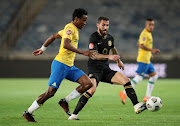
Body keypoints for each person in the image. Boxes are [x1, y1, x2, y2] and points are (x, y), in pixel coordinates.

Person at [59, 16, 146, 120]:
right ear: (98, 25)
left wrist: (119, 60)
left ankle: (136, 105)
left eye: (107, 25)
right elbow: (93, 55)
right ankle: (74, 115)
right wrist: (109, 56)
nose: (105, 27)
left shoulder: (110, 38)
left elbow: (113, 48)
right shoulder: (93, 37)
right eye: (103, 25)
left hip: (105, 70)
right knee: (92, 89)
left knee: (126, 81)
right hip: (94, 69)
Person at [22, 8, 95, 122]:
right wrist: (83, 52)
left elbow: (53, 36)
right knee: (50, 92)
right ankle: (28, 112)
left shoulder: (72, 29)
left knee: (87, 83)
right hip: (60, 64)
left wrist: (42, 49)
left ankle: (64, 101)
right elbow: (66, 44)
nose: (85, 23)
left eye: (86, 21)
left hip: (69, 66)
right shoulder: (70, 28)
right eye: (83, 20)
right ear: (76, 19)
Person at [119, 18, 160, 104]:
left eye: (152, 25)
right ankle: (123, 93)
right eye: (150, 24)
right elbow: (141, 45)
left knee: (154, 76)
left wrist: (150, 53)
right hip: (143, 59)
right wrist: (152, 50)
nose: (151, 26)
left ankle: (147, 97)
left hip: (147, 59)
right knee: (139, 78)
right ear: (146, 25)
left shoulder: (148, 33)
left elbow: (139, 43)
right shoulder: (145, 33)